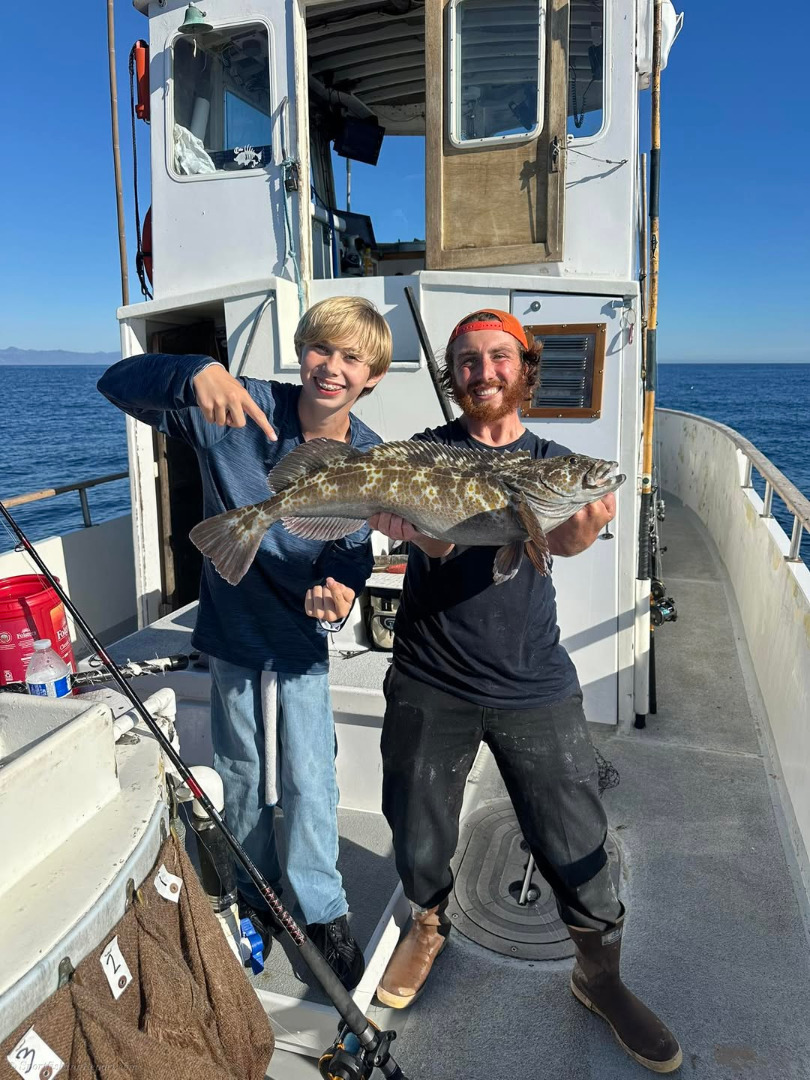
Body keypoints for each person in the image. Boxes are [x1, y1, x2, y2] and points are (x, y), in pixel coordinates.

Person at [369, 309, 682, 1073]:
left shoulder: (552, 463)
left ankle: (598, 975)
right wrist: (411, 528)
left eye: (499, 357)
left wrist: (580, 526)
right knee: (416, 825)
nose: (484, 371)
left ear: (525, 369)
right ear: (454, 375)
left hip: (531, 678)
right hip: (429, 674)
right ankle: (427, 927)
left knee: (573, 831)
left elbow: (564, 540)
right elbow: (434, 539)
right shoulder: (425, 454)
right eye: (468, 360)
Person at [99, 296, 393, 990]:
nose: (333, 367)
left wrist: (341, 585)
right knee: (240, 771)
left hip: (299, 640)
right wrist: (193, 372)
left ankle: (321, 909)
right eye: (322, 349)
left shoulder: (370, 455)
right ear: (301, 351)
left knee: (311, 778)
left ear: (373, 376)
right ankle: (255, 888)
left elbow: (352, 548)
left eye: (352, 358)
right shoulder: (240, 406)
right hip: (231, 630)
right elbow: (117, 385)